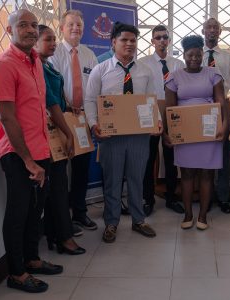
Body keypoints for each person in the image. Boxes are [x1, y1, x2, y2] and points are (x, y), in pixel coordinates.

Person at [0, 9, 63, 293]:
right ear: (9, 31)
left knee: (36, 211)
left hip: (40, 150)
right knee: (18, 213)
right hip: (19, 155)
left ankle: (32, 259)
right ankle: (16, 273)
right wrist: (28, 160)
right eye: (23, 25)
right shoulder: (4, 65)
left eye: (34, 25)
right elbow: (7, 118)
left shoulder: (35, 61)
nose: (31, 30)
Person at [85, 22, 159, 243]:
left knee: (137, 178)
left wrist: (158, 121)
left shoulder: (145, 70)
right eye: (124, 40)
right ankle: (111, 223)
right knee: (112, 180)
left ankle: (139, 220)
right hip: (111, 137)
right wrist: (92, 124)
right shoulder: (101, 69)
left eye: (133, 40)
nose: (129, 44)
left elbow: (152, 99)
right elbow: (90, 100)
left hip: (139, 135)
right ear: (113, 42)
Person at [164, 35, 228, 230]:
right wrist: (167, 133)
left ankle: (202, 216)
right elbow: (169, 107)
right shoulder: (174, 76)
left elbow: (221, 102)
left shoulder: (213, 74)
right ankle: (188, 214)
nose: (194, 58)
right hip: (185, 132)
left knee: (207, 175)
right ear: (183, 55)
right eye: (190, 55)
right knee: (187, 174)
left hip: (209, 130)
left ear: (203, 54)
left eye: (198, 55)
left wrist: (224, 126)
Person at [35, 24, 86, 255]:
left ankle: (56, 233)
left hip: (56, 130)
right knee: (57, 188)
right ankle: (64, 238)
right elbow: (52, 103)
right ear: (35, 43)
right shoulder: (37, 68)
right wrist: (68, 133)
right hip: (50, 134)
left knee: (57, 186)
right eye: (48, 39)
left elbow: (61, 99)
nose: (54, 43)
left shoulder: (48, 66)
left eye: (54, 39)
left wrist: (71, 108)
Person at [49, 9, 98, 233]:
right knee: (59, 171)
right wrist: (67, 108)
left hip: (83, 120)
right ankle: (61, 220)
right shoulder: (54, 53)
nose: (75, 28)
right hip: (59, 118)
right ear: (62, 27)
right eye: (71, 25)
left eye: (79, 25)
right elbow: (53, 88)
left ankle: (79, 213)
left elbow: (94, 88)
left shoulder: (89, 55)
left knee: (81, 170)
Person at [138, 24, 185, 215]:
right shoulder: (143, 63)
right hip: (150, 113)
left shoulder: (178, 64)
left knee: (171, 158)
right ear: (152, 41)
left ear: (169, 40)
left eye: (165, 37)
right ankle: (148, 200)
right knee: (148, 159)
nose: (162, 41)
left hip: (173, 111)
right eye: (158, 38)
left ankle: (171, 198)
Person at [202, 17, 230, 214]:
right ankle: (206, 197)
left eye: (215, 28)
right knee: (206, 154)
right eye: (208, 27)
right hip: (201, 108)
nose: (212, 31)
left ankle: (223, 197)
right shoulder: (195, 54)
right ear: (203, 31)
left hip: (223, 108)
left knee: (224, 155)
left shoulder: (228, 58)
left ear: (219, 32)